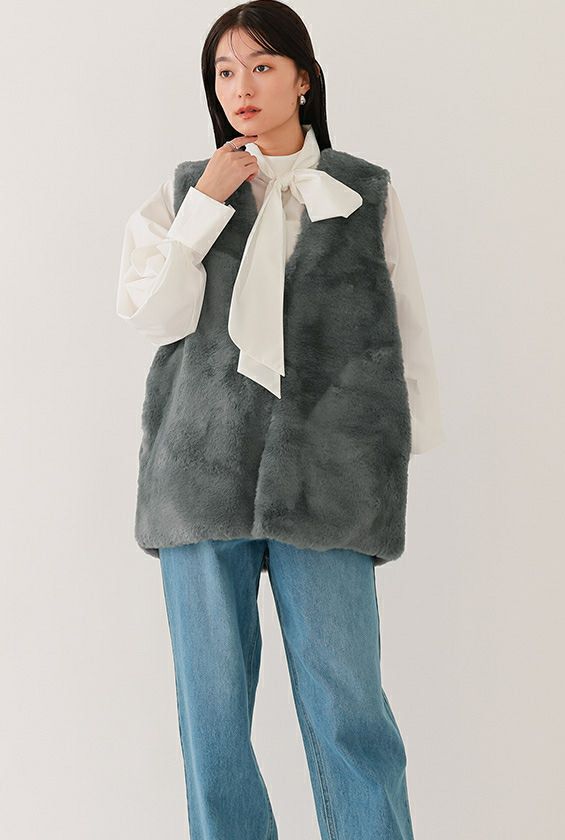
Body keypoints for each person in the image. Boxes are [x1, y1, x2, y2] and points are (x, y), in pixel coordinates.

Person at [116, 2, 445, 838]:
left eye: (261, 66)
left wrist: (397, 456)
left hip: (331, 483)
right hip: (199, 483)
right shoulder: (184, 190)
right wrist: (204, 210)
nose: (241, 87)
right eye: (225, 71)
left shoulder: (365, 191)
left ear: (305, 79)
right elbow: (153, 315)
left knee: (351, 712)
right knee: (213, 723)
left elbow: (405, 326)